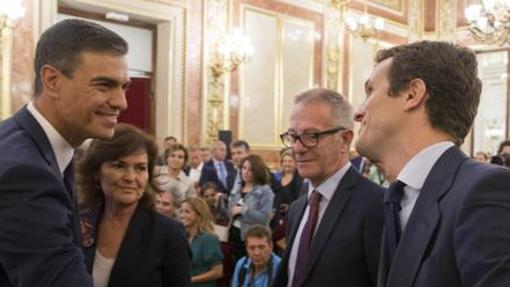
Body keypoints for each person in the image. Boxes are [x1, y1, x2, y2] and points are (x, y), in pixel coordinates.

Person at [354, 41, 510, 287]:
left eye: (370, 91)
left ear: (412, 94)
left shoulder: (484, 189)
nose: (358, 112)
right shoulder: (397, 198)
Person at [0, 19, 130, 286]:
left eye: (123, 87)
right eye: (104, 85)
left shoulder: (30, 144)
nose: (121, 102)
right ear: (52, 81)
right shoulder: (24, 172)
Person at [274, 88, 384, 287]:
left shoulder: (377, 205)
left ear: (344, 140)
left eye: (311, 135)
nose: (297, 148)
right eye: (293, 136)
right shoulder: (297, 209)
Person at [78, 124, 191, 287]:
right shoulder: (78, 221)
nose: (131, 177)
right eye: (119, 166)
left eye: (140, 168)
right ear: (96, 172)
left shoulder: (169, 234)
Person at [228, 154, 275, 264]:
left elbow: (264, 218)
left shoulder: (265, 191)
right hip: (234, 234)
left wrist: (243, 211)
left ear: (257, 171)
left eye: (250, 169)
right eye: (244, 168)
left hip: (253, 238)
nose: (246, 172)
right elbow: (230, 211)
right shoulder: (238, 189)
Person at [180, 197, 224, 287]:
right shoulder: (182, 236)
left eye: (187, 212)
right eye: (181, 211)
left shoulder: (208, 239)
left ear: (199, 214)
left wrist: (190, 280)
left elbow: (218, 272)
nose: (182, 215)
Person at [271, 148, 304, 253]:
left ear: (295, 163)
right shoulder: (277, 178)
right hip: (275, 218)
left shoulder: (299, 180)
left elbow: (300, 200)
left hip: (289, 218)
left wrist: (289, 207)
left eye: (290, 161)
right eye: (285, 161)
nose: (287, 164)